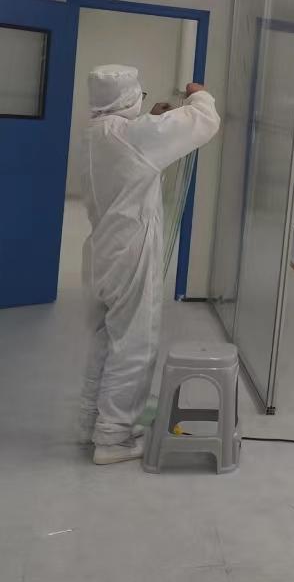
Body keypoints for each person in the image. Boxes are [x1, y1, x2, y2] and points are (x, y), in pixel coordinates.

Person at [78, 65, 220, 464]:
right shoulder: (132, 135)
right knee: (134, 344)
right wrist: (198, 93)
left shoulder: (97, 133)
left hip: (103, 250)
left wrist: (153, 119)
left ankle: (91, 423)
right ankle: (113, 438)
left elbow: (138, 146)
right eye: (139, 97)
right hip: (131, 252)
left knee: (107, 339)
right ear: (128, 98)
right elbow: (204, 121)